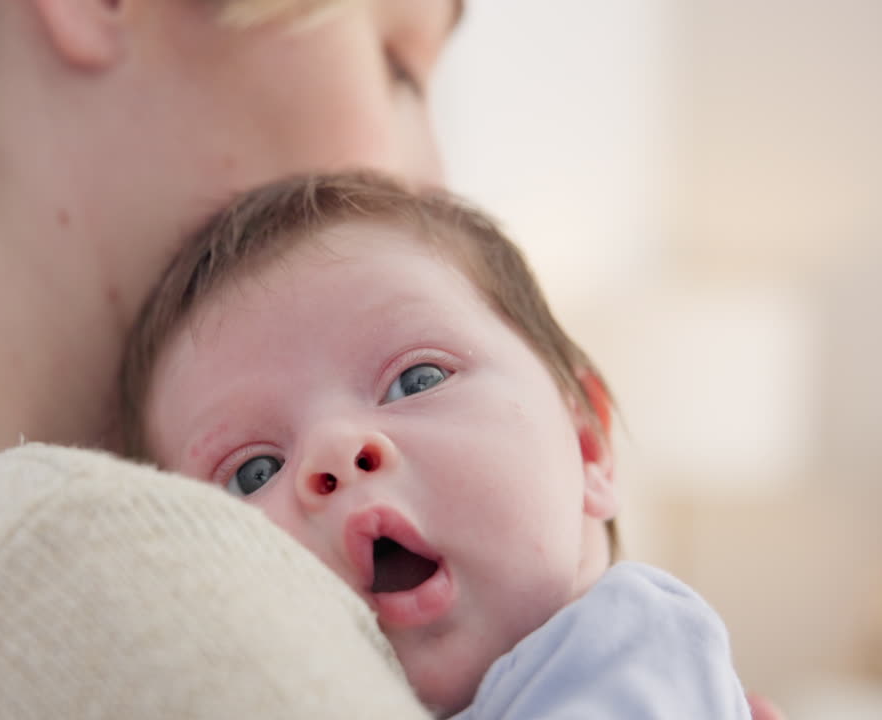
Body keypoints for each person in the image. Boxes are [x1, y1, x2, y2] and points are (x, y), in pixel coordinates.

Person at [0, 0, 785, 718]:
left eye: (419, 380)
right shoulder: (106, 576)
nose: (433, 175)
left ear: (589, 439)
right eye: (397, 59)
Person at [122, 172, 752, 718]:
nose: (336, 452)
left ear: (586, 447)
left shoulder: (629, 642)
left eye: (415, 380)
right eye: (254, 472)